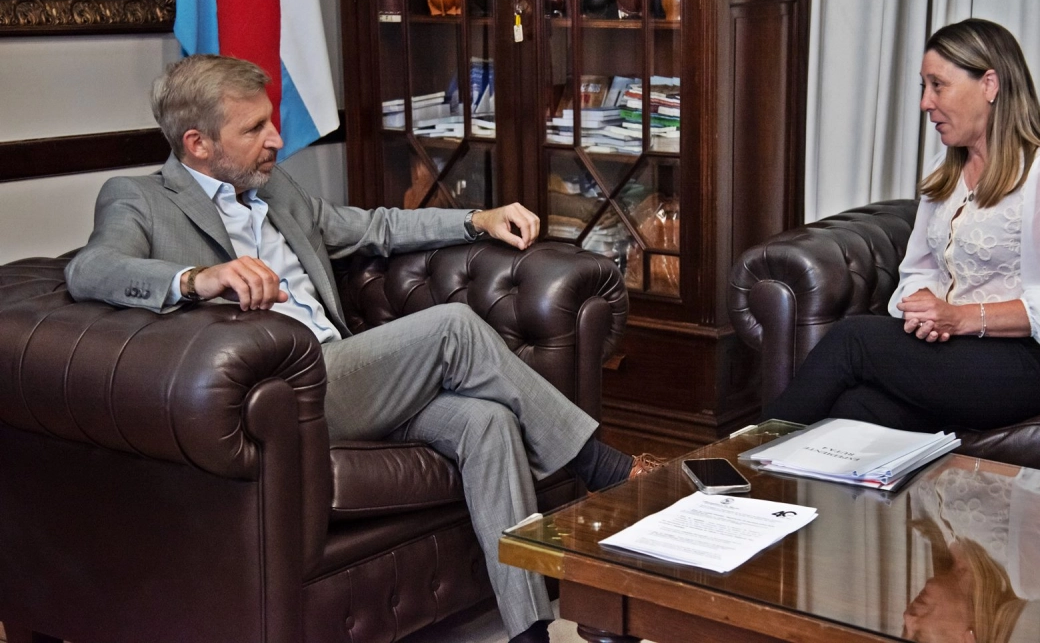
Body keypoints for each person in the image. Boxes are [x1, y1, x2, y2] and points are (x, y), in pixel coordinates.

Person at [65, 54, 661, 643]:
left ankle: (528, 631)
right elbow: (91, 270)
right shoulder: (139, 198)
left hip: (350, 379)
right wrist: (198, 278)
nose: (276, 138)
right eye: (254, 129)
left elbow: (375, 226)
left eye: (270, 121)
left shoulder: (275, 190)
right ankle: (602, 468)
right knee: (452, 327)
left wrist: (478, 218)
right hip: (285, 398)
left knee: (488, 421)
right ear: (196, 142)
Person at [763, 18, 1040, 432]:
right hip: (958, 354)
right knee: (854, 407)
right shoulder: (947, 169)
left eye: (938, 85)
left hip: (1035, 363)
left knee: (854, 340)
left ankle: (738, 462)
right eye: (924, 87)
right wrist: (924, 307)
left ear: (990, 84)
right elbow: (919, 268)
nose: (925, 102)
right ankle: (778, 488)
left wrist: (956, 318)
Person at [902, 460, 1040, 643]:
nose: (908, 617)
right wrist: (964, 459)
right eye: (919, 638)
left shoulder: (925, 529)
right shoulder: (1032, 577)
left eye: (903, 629)